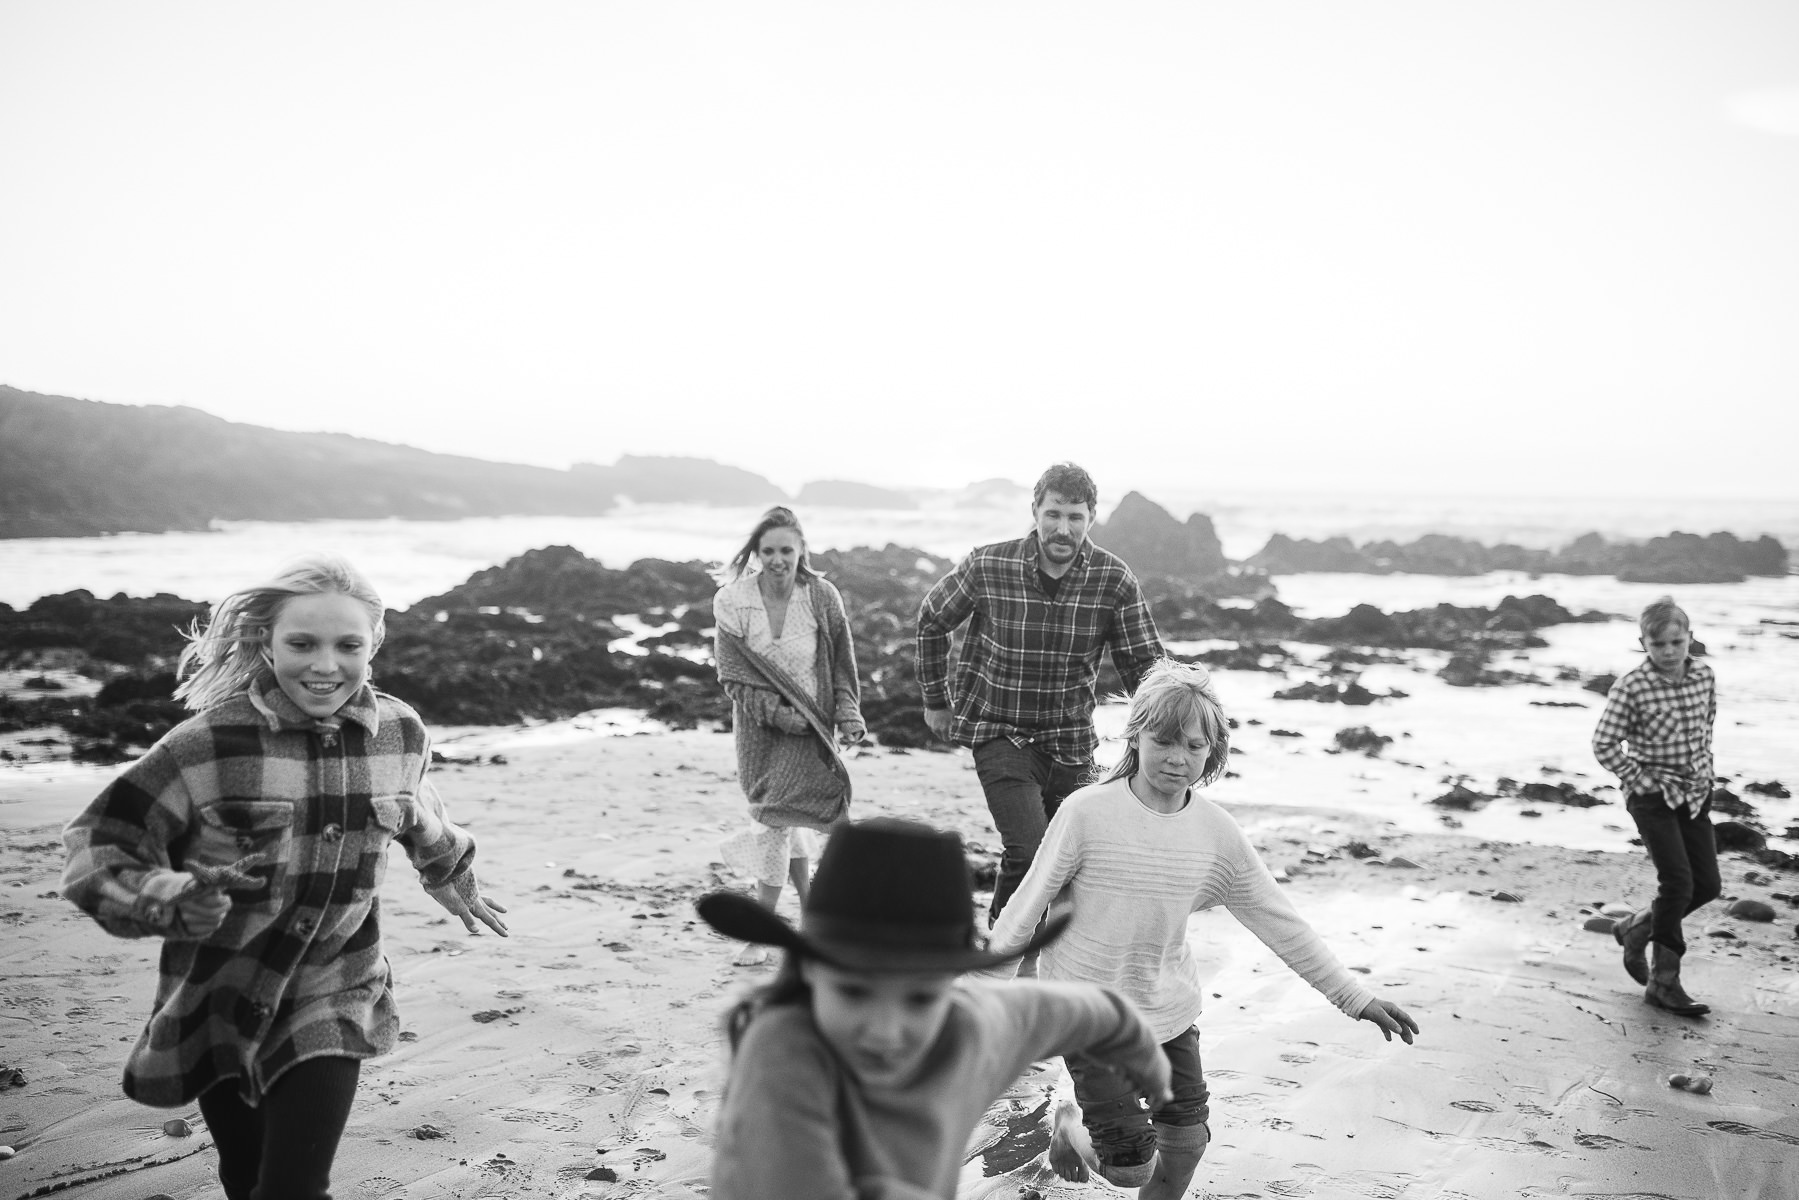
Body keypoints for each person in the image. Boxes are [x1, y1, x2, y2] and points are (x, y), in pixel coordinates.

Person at [61, 554, 509, 1200]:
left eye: (347, 645)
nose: (325, 665)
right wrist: (170, 899)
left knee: (293, 1189)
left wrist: (449, 872)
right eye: (302, 643)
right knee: (245, 1178)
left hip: (337, 985)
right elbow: (100, 843)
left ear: (373, 644)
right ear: (264, 644)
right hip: (220, 994)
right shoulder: (207, 745)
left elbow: (417, 807)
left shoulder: (400, 732)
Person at [985, 659, 1420, 1196]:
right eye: (1165, 741)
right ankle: (1070, 1126)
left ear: (1213, 751)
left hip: (1167, 1012)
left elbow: (1277, 918)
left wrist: (1355, 997)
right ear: (1135, 733)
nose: (1178, 758)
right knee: (1129, 1167)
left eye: (1194, 746)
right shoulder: (1085, 814)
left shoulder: (1215, 834)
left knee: (1187, 1146)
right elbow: (1024, 911)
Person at [696, 817, 1173, 1200]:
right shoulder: (783, 1052)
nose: (886, 1031)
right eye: (854, 993)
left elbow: (1093, 1009)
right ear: (808, 974)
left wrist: (1147, 1063)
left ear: (953, 984)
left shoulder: (976, 1026)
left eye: (921, 998)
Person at [916, 462, 1163, 925]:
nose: (1062, 528)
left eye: (1074, 517)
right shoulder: (990, 564)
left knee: (1067, 862)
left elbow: (1142, 664)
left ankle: (1009, 949)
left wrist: (1171, 727)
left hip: (1070, 744)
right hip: (1000, 732)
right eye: (1053, 514)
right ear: (1035, 511)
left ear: (1092, 517)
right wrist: (935, 700)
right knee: (1029, 851)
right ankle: (1005, 953)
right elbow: (933, 619)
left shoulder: (1113, 580)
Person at [713, 506, 864, 964]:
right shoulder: (733, 602)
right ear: (756, 554)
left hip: (814, 733)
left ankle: (775, 931)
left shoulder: (821, 596)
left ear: (801, 551)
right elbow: (732, 675)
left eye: (786, 550)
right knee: (774, 820)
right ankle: (789, 926)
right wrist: (778, 716)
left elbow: (842, 662)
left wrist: (849, 713)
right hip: (761, 735)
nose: (777, 559)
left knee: (791, 821)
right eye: (768, 550)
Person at [1593, 595, 1719, 1017]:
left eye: (1676, 642)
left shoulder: (1704, 676)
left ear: (1690, 639)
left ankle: (1635, 927)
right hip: (1651, 797)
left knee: (1707, 886)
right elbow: (1604, 743)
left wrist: (1705, 774)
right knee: (1678, 884)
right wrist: (1641, 780)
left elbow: (1706, 730)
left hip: (1696, 793)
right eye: (1658, 644)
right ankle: (1664, 984)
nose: (1668, 652)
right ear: (1643, 642)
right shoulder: (1632, 686)